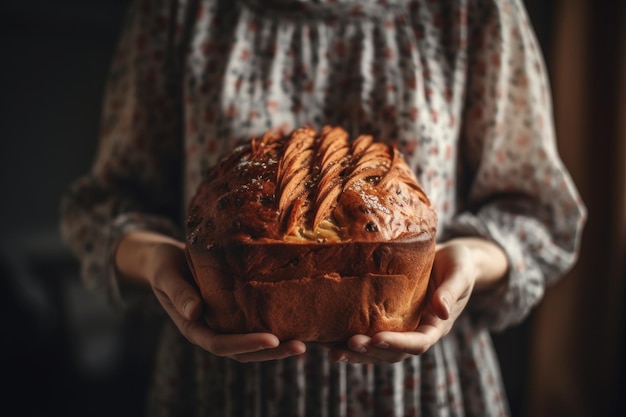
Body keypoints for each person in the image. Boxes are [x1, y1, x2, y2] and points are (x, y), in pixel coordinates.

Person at [60, 0, 586, 415]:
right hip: (224, 392)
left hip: (419, 394)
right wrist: (159, 261)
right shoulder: (178, 10)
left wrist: (466, 260)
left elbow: (537, 212)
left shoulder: (475, 8)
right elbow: (105, 206)